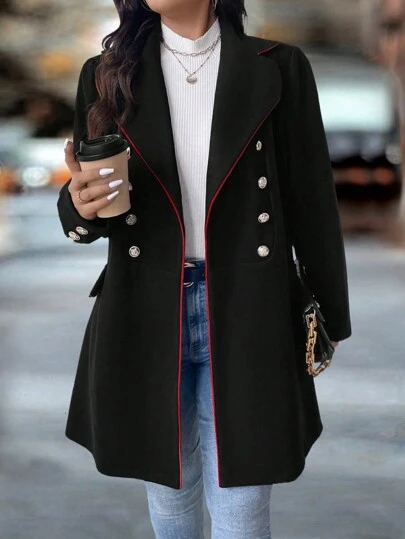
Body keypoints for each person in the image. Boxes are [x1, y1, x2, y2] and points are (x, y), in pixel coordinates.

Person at [57, 1, 352, 537]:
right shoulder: (107, 75)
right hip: (148, 306)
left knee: (243, 508)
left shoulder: (279, 66)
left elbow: (312, 201)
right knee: (171, 498)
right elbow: (88, 200)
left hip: (249, 305)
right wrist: (80, 206)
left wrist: (328, 316)